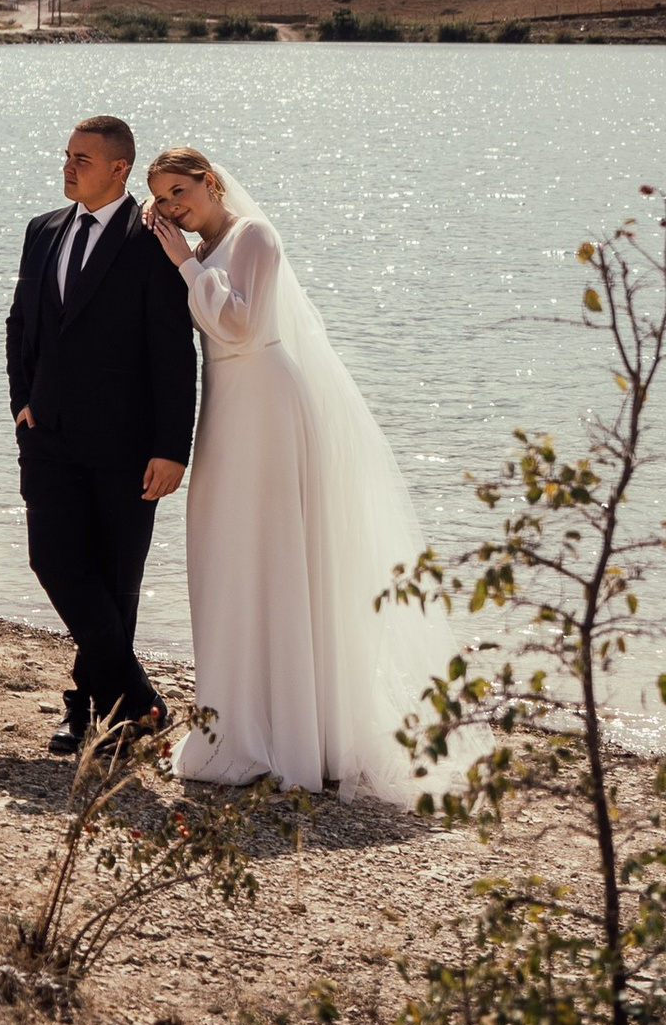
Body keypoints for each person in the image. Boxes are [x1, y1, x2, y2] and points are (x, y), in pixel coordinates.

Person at [142, 143, 449, 797]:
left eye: (179, 192)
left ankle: (296, 735)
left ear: (210, 182)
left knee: (276, 553)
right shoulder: (201, 247)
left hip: (267, 403)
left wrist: (184, 264)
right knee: (227, 552)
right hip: (226, 405)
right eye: (162, 198)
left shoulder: (253, 235)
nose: (172, 207)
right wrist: (179, 251)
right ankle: (237, 722)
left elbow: (243, 326)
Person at [4, 113, 198, 754]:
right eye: (67, 155)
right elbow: (20, 324)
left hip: (128, 447)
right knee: (53, 560)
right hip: (48, 437)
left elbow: (174, 354)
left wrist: (172, 448)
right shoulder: (43, 230)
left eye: (81, 159)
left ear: (119, 168)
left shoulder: (155, 241)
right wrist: (22, 402)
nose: (67, 167)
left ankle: (94, 711)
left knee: (114, 581)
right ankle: (140, 701)